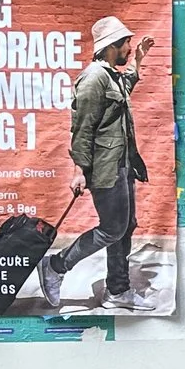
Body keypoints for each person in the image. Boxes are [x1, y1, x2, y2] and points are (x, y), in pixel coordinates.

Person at [39, 15, 154, 312]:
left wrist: (138, 61)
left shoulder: (110, 75)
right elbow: (82, 127)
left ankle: (117, 290)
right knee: (112, 229)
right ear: (112, 46)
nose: (130, 47)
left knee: (125, 226)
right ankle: (56, 265)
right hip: (105, 167)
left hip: (122, 164)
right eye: (127, 44)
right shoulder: (93, 77)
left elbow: (124, 88)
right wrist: (79, 170)